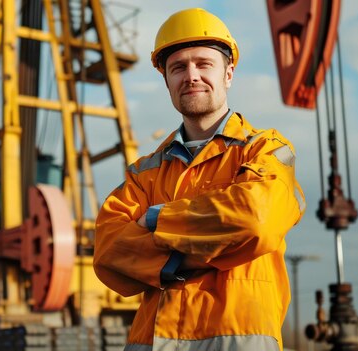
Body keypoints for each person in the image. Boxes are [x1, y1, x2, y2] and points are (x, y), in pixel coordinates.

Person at [93, 7, 306, 351]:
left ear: (229, 74)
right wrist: (200, 252)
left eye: (204, 64)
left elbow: (257, 221)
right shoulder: (143, 172)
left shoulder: (266, 150)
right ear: (167, 81)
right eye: (178, 68)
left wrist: (156, 219)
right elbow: (108, 252)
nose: (191, 76)